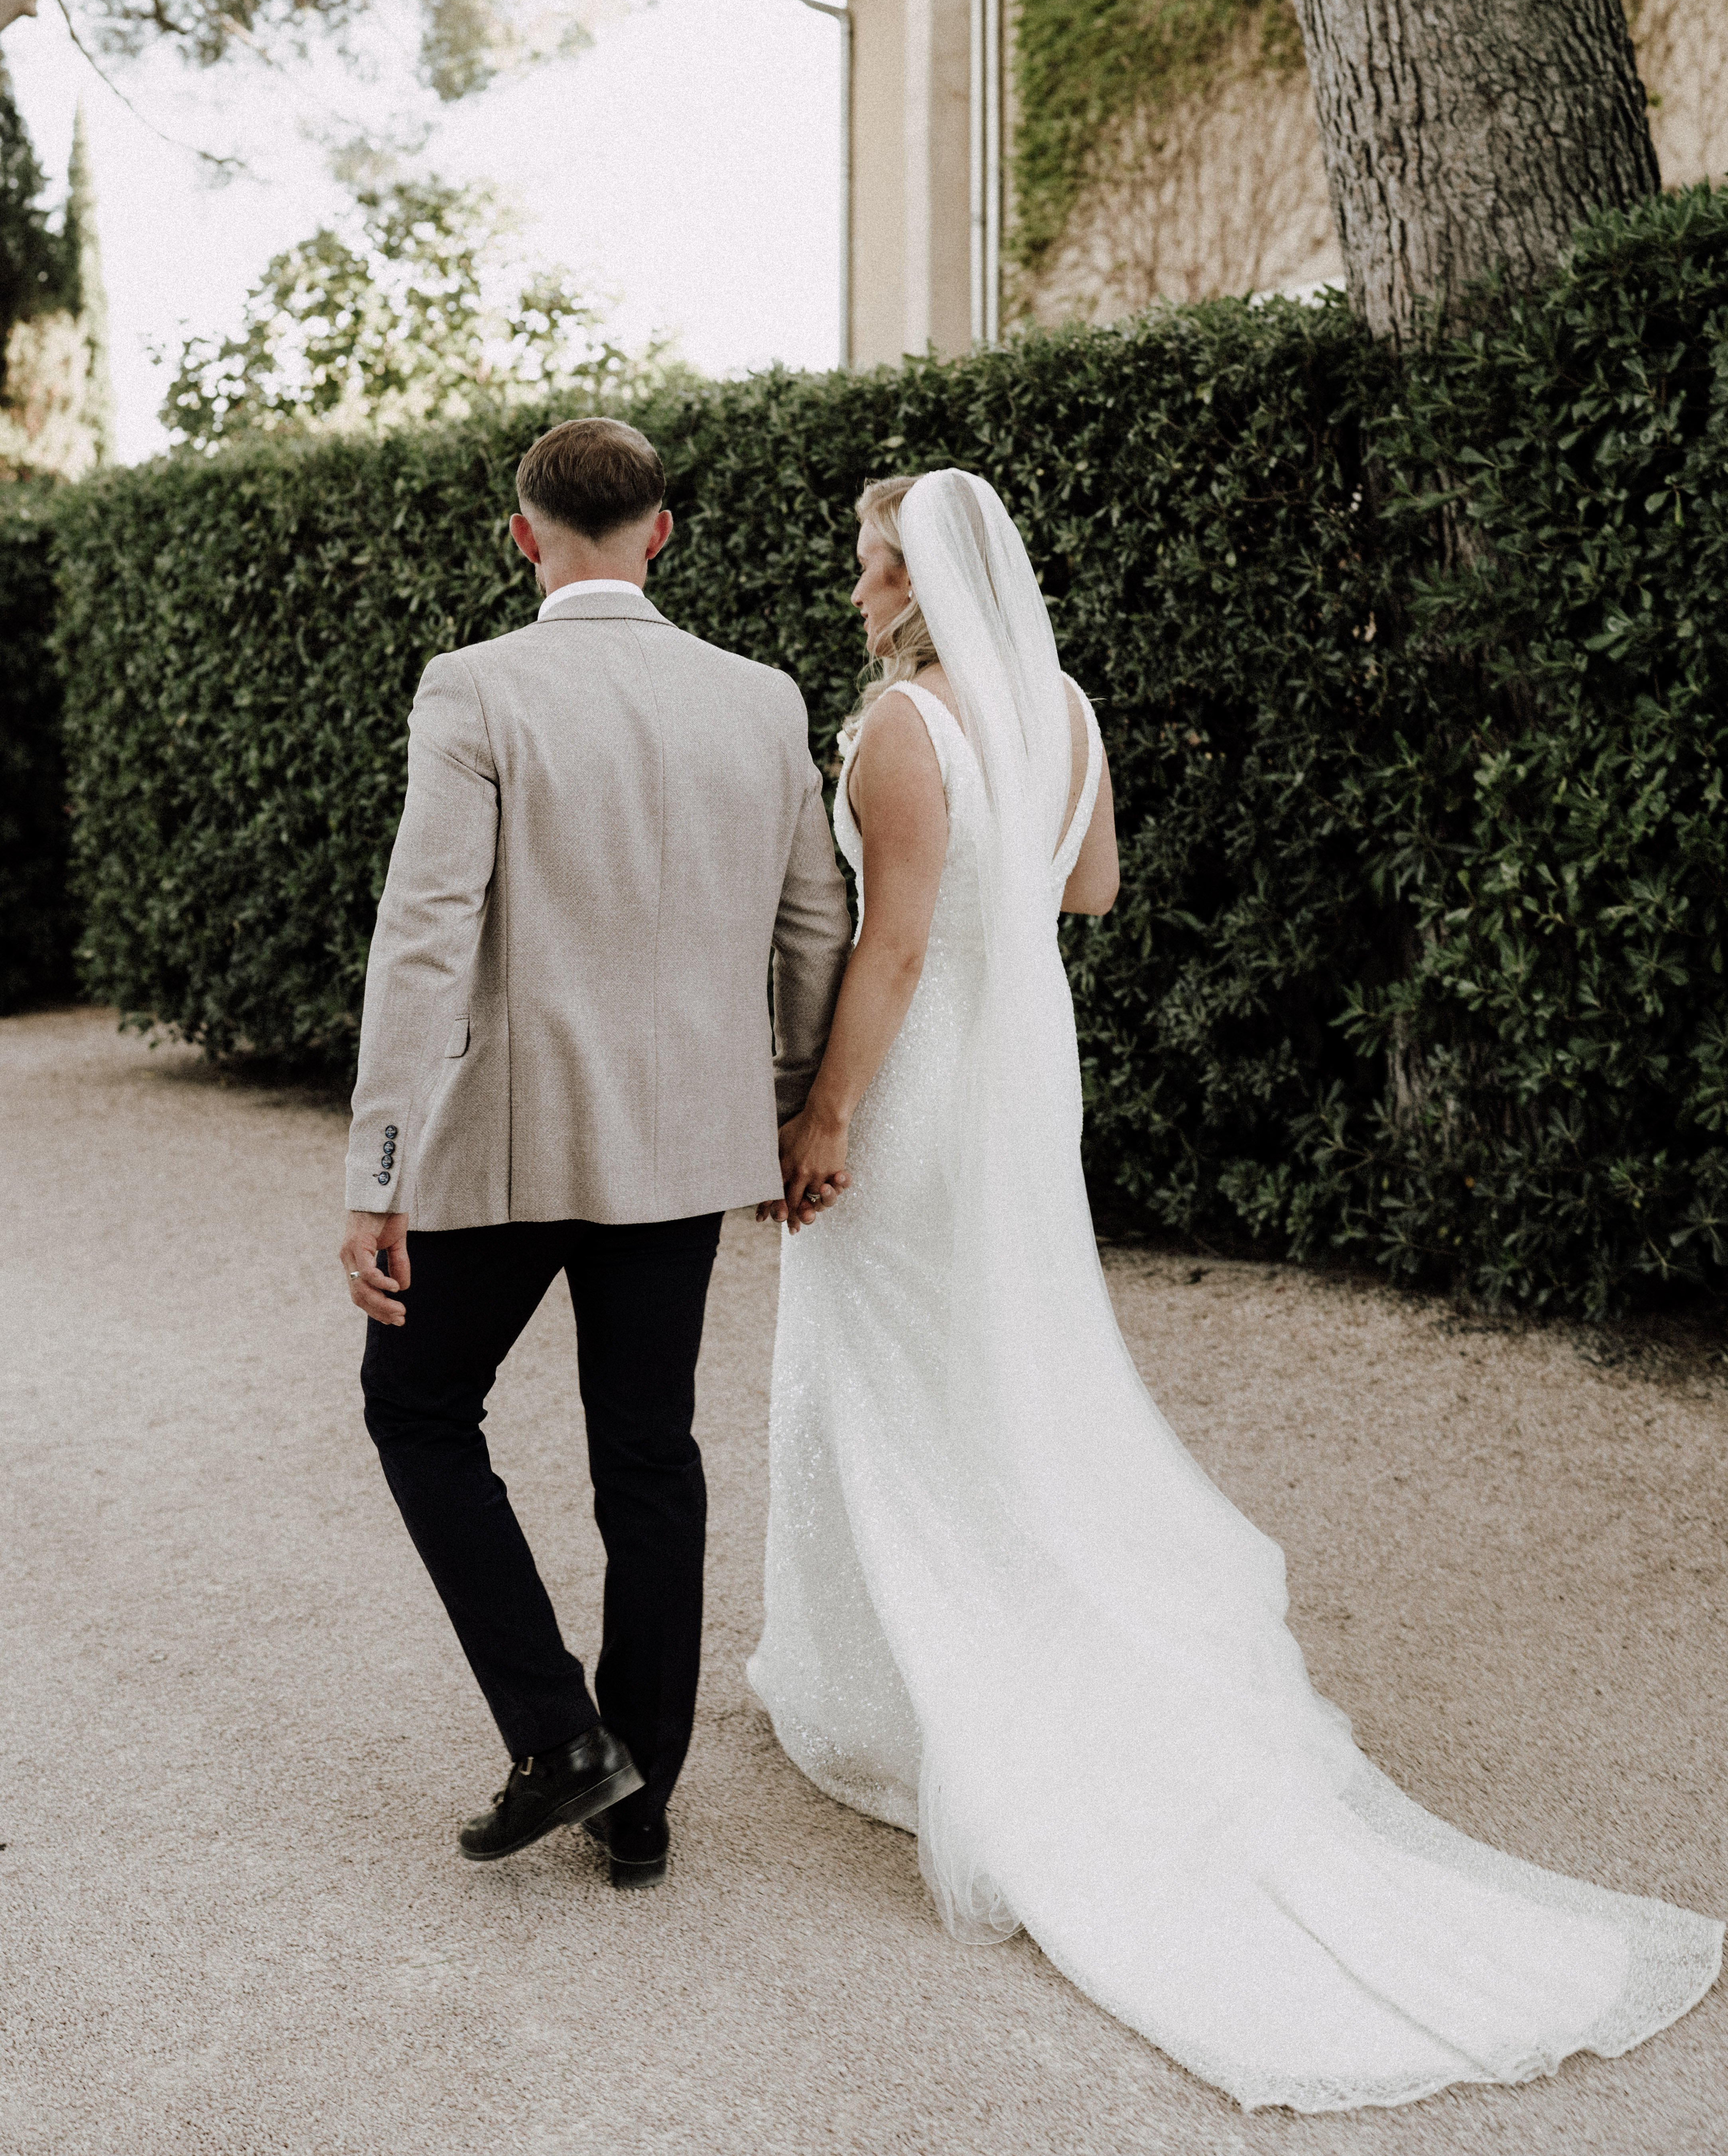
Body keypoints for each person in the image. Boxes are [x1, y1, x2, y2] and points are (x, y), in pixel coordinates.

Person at [748, 466, 1722, 2113]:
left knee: (891, 1362)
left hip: (923, 1083)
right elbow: (1090, 890)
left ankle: (894, 1694)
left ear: (923, 578)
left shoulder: (900, 733)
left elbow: (896, 950)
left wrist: (823, 1108)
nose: (858, 591)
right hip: (1027, 1071)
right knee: (1003, 1358)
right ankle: (923, 1645)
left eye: (871, 565)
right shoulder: (1056, 701)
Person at [338, 417, 852, 1891]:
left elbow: (422, 939)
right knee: (650, 1454)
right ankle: (643, 1798)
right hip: (686, 1148)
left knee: (417, 1407)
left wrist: (376, 1170)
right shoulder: (757, 699)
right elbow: (814, 923)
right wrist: (791, 1104)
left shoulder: (476, 687)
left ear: (524, 537)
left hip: (506, 1142)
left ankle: (561, 1736)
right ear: (661, 531)